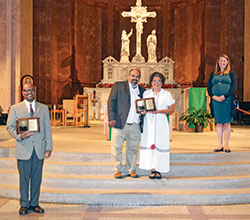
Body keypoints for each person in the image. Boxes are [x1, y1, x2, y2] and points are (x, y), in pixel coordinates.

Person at [6, 83, 53, 215]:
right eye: (26, 91)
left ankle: (34, 203)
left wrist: (48, 147)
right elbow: (9, 127)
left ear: (35, 91)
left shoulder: (43, 108)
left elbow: (48, 129)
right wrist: (20, 135)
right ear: (23, 93)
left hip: (39, 149)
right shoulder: (15, 109)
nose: (29, 93)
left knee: (37, 178)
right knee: (24, 178)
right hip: (24, 149)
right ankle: (24, 204)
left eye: (31, 90)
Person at [108, 69, 146, 179]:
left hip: (135, 124)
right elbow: (111, 102)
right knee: (116, 148)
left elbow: (144, 106)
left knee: (133, 149)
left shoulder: (143, 90)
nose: (135, 78)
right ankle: (117, 170)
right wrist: (111, 118)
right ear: (128, 76)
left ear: (140, 78)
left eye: (137, 76)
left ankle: (131, 170)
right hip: (120, 122)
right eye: (133, 75)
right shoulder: (119, 86)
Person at [139, 72, 175, 179]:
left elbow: (171, 109)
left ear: (162, 82)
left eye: (159, 81)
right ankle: (152, 169)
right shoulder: (146, 94)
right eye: (154, 81)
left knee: (160, 144)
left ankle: (159, 170)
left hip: (161, 123)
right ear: (151, 82)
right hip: (149, 123)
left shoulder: (166, 94)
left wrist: (159, 111)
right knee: (150, 143)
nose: (156, 83)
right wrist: (143, 111)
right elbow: (142, 108)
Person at [207, 54, 237, 153]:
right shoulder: (214, 73)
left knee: (227, 123)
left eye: (224, 61)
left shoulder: (231, 73)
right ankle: (220, 145)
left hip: (227, 100)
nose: (222, 63)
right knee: (219, 123)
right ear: (218, 62)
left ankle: (227, 145)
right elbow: (209, 87)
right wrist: (213, 96)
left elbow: (234, 87)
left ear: (227, 62)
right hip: (216, 101)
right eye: (221, 61)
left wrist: (225, 96)